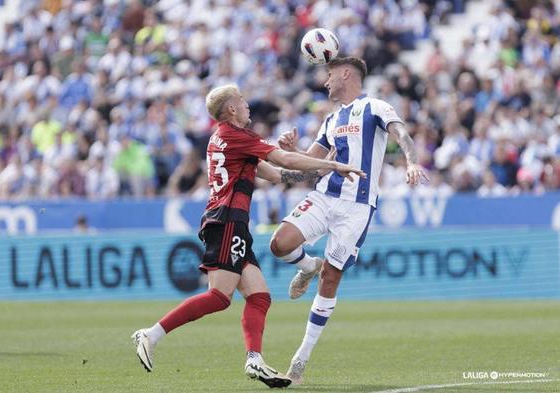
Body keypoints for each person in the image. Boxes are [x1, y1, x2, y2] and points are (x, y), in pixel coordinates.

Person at [131, 84, 365, 388]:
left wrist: (320, 170)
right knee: (218, 296)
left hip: (230, 222)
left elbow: (279, 175)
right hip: (227, 220)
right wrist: (331, 164)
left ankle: (254, 360)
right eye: (242, 101)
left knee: (259, 296)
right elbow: (285, 161)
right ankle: (151, 334)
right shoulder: (236, 136)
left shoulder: (227, 139)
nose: (247, 106)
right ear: (231, 109)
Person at [269, 57, 429, 385]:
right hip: (326, 195)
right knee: (279, 243)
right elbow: (309, 164)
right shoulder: (331, 119)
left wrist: (411, 162)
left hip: (357, 207)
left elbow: (401, 133)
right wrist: (292, 149)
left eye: (329, 75)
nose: (325, 82)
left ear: (345, 74)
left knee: (332, 277)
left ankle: (300, 359)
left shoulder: (374, 107)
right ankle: (306, 265)